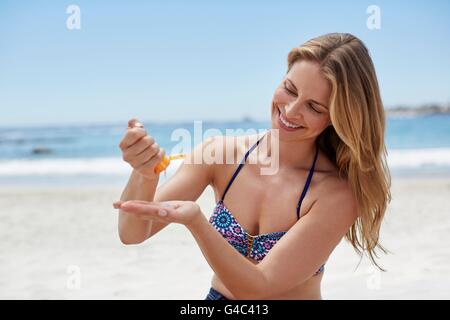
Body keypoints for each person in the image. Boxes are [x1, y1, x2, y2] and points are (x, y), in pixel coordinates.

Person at [113, 32, 391, 300]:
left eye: (314, 107)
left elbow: (259, 287)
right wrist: (144, 172)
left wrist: (197, 222)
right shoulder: (220, 154)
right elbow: (133, 232)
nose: (291, 111)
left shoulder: (335, 193)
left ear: (337, 117)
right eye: (289, 89)